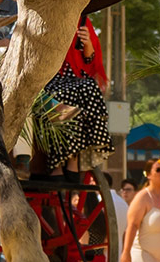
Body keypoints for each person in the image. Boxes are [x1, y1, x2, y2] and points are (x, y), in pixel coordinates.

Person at [39, 20, 110, 172]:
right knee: (64, 94)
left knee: (89, 88)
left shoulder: (82, 21)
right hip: (49, 76)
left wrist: (87, 42)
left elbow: (89, 59)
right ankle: (59, 162)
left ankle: (75, 157)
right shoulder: (46, 17)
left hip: (75, 74)